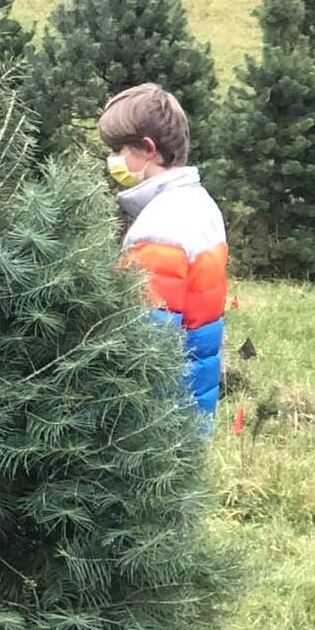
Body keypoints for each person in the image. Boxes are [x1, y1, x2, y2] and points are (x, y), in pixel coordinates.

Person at [98, 83, 228, 421]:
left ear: (147, 149)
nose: (113, 159)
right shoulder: (200, 203)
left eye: (118, 148)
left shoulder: (162, 226)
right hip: (193, 394)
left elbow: (149, 339)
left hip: (158, 417)